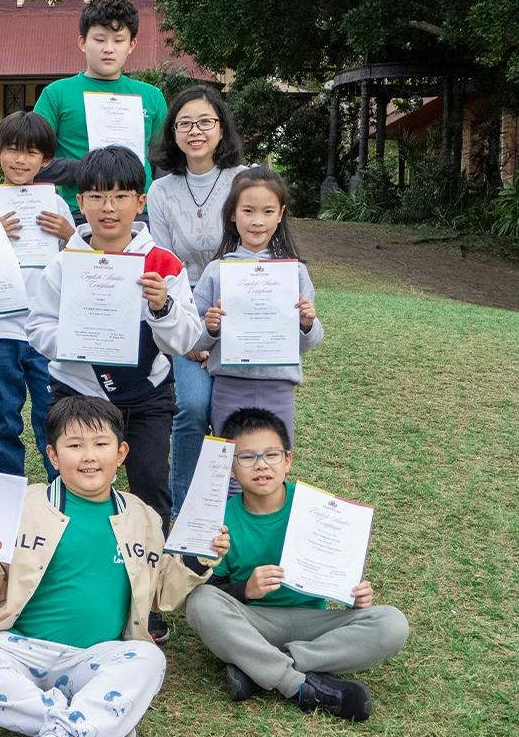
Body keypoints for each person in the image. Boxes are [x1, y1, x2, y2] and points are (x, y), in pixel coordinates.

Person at [0, 397, 226, 737]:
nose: (88, 457)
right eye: (74, 446)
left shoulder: (142, 517)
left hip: (97, 657)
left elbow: (159, 596)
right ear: (53, 456)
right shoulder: (25, 504)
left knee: (149, 659)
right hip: (20, 649)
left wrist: (196, 560)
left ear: (121, 453)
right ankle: (91, 726)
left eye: (100, 444)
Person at [184, 408, 409, 722]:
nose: (261, 464)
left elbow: (340, 575)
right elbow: (210, 591)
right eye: (247, 457)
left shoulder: (320, 509)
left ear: (287, 460)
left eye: (271, 454)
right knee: (199, 603)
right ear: (231, 469)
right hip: (253, 622)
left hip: (311, 624)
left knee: (391, 624)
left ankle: (260, 668)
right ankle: (297, 685)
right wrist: (246, 590)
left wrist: (356, 598)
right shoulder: (221, 520)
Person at [25, 147, 202, 531]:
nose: (109, 207)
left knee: (150, 483)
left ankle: (152, 564)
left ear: (140, 202)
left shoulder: (163, 262)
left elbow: (186, 338)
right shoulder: (64, 263)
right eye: (97, 196)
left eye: (121, 196)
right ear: (80, 201)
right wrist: (78, 340)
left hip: (146, 394)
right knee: (76, 481)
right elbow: (38, 329)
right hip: (77, 390)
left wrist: (162, 307)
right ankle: (73, 554)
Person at [144, 85, 249, 513]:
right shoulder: (162, 191)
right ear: (172, 133)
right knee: (190, 406)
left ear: (221, 129)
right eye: (184, 123)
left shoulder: (246, 179)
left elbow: (264, 255)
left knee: (238, 417)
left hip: (241, 322)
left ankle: (235, 512)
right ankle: (184, 514)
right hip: (186, 322)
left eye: (205, 122)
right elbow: (166, 266)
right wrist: (192, 339)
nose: (195, 131)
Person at [0, 111, 76, 477]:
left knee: (50, 417)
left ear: (46, 160)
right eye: (12, 149)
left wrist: (70, 235)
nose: (20, 160)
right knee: (2, 417)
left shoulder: (56, 205)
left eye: (31, 153)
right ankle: (7, 492)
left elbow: (76, 268)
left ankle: (58, 493)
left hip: (44, 330)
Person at [191, 166, 323, 446]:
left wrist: (307, 323)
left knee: (274, 461)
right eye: (248, 211)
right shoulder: (217, 270)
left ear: (281, 214)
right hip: (230, 385)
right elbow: (193, 339)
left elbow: (309, 343)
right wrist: (211, 328)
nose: (257, 221)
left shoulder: (294, 272)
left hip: (279, 386)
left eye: (267, 211)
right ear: (232, 213)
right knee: (229, 463)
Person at [31, 0, 168, 214]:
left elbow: (165, 160)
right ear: (82, 42)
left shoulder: (151, 96)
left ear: (132, 44)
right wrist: (88, 170)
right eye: (99, 39)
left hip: (141, 215)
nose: (108, 49)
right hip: (79, 214)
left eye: (118, 40)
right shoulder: (56, 94)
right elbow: (32, 163)